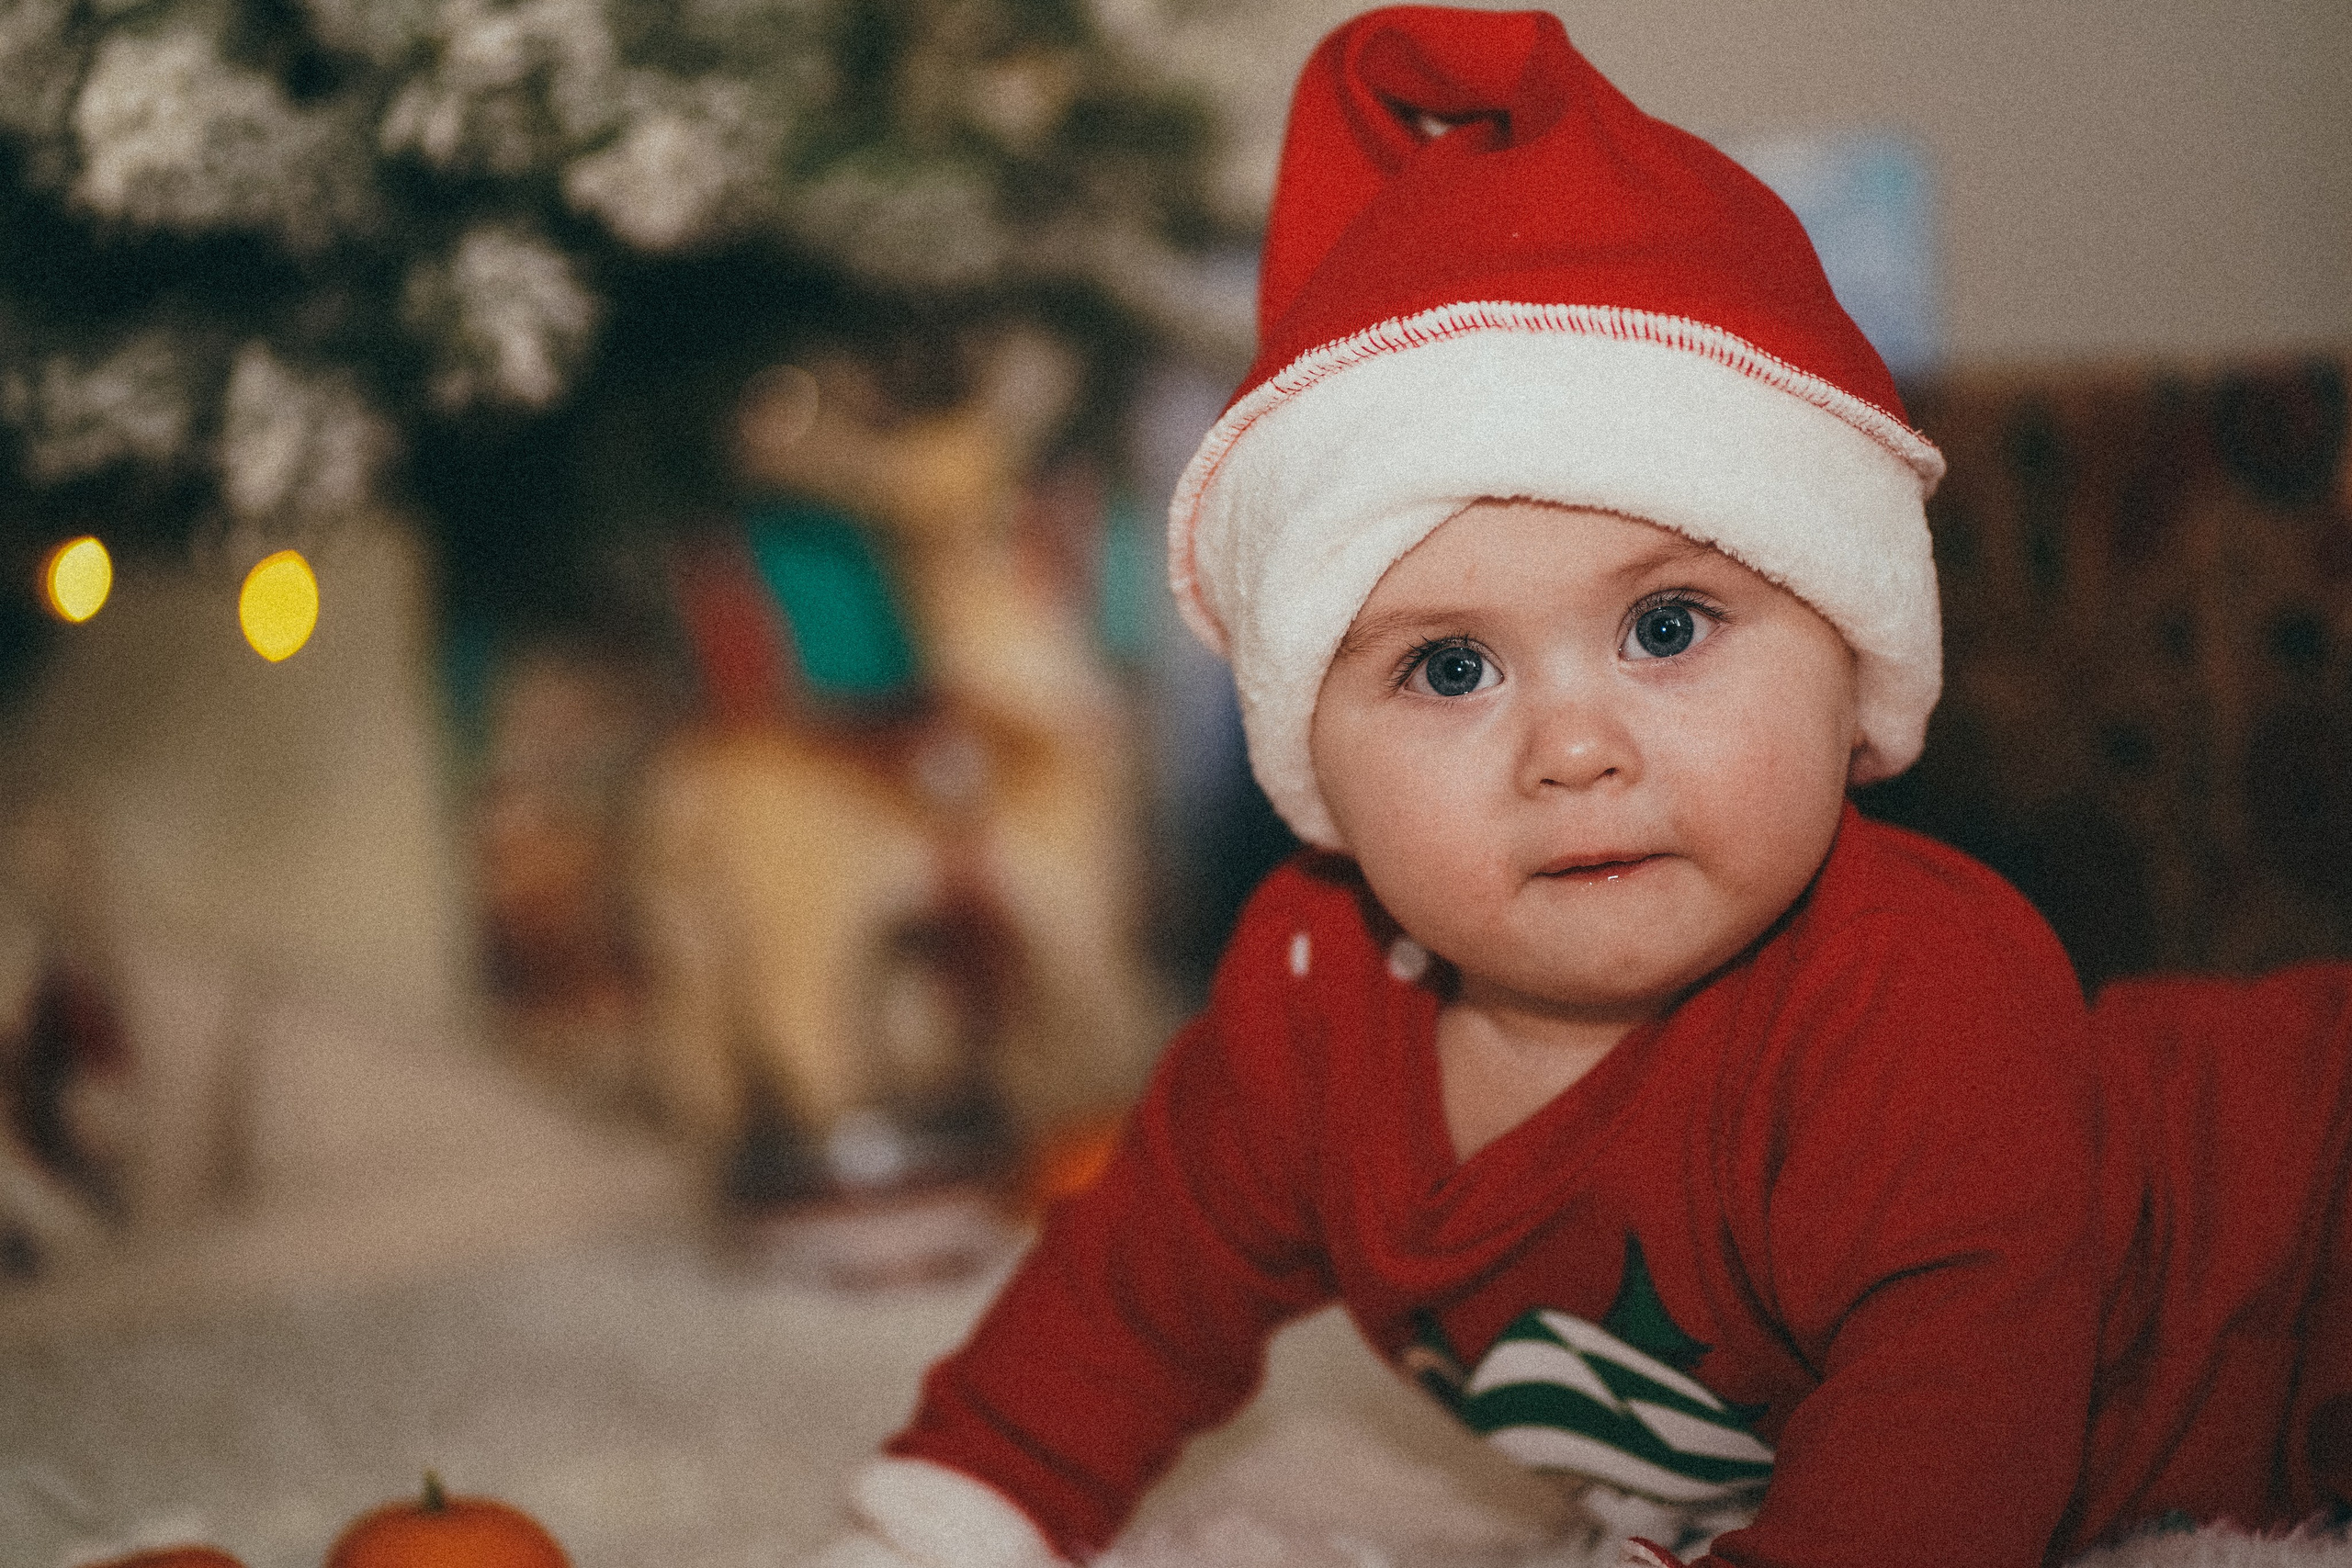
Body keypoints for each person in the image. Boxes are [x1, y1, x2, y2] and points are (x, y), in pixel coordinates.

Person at [812, 9, 2352, 1567]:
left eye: (1666, 628)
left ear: (1853, 669)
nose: (1574, 747)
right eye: (1450, 670)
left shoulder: (1917, 998)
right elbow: (1123, 1303)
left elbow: (1939, 1466)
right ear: (1310, 758)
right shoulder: (1310, 997)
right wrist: (944, 1529)